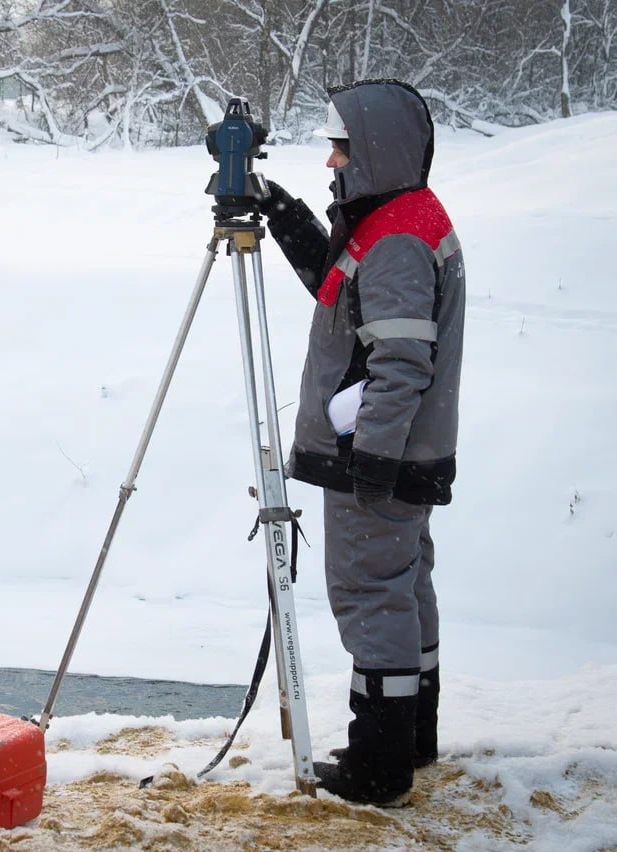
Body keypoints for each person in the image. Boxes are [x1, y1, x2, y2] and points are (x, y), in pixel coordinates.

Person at [257, 79, 465, 807]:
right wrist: (284, 217)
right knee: (403, 587)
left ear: (375, 148)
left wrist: (371, 458)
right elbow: (345, 293)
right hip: (401, 452)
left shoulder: (400, 238)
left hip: (379, 458)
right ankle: (413, 738)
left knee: (372, 594)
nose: (333, 162)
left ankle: (380, 768)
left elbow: (402, 363)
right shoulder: (396, 221)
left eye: (341, 147)